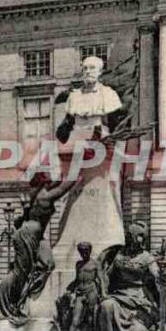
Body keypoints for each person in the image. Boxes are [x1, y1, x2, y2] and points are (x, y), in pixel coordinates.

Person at [53, 55, 126, 276]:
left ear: (100, 71)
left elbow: (116, 124)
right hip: (79, 142)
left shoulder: (109, 95)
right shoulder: (74, 97)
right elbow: (64, 129)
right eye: (84, 68)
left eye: (92, 68)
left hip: (100, 144)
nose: (88, 72)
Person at [0, 173, 76, 327]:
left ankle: (27, 295)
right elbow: (64, 187)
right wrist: (78, 170)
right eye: (49, 181)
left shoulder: (39, 193)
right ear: (44, 183)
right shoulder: (44, 197)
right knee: (19, 273)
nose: (52, 182)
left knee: (48, 264)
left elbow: (58, 183)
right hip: (27, 235)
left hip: (37, 235)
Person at [54, 242, 105, 331]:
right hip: (80, 294)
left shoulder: (95, 264)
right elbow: (77, 280)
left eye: (86, 251)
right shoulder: (78, 264)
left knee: (91, 321)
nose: (84, 254)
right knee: (75, 321)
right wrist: (69, 288)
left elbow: (101, 280)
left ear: (90, 251)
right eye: (82, 252)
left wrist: (103, 295)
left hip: (91, 293)